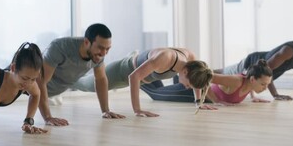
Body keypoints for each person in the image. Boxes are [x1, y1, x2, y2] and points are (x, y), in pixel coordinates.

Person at [72, 48, 215, 116]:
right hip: (123, 72)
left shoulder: (191, 60)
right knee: (86, 85)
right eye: (188, 84)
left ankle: (132, 54)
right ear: (185, 72)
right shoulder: (165, 58)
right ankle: (64, 77)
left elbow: (196, 81)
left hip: (144, 74)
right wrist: (137, 110)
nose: (187, 87)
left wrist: (198, 102)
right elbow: (133, 78)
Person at [215, 28, 293, 100]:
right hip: (251, 63)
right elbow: (267, 69)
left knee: (221, 75)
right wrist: (275, 95)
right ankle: (200, 71)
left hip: (258, 70)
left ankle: (202, 71)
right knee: (221, 75)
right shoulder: (289, 50)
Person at [206, 59, 273, 105]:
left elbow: (250, 84)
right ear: (252, 79)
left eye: (267, 84)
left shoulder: (250, 83)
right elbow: (203, 76)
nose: (265, 88)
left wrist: (253, 97)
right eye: (263, 84)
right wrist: (216, 101)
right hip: (199, 95)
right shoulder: (236, 81)